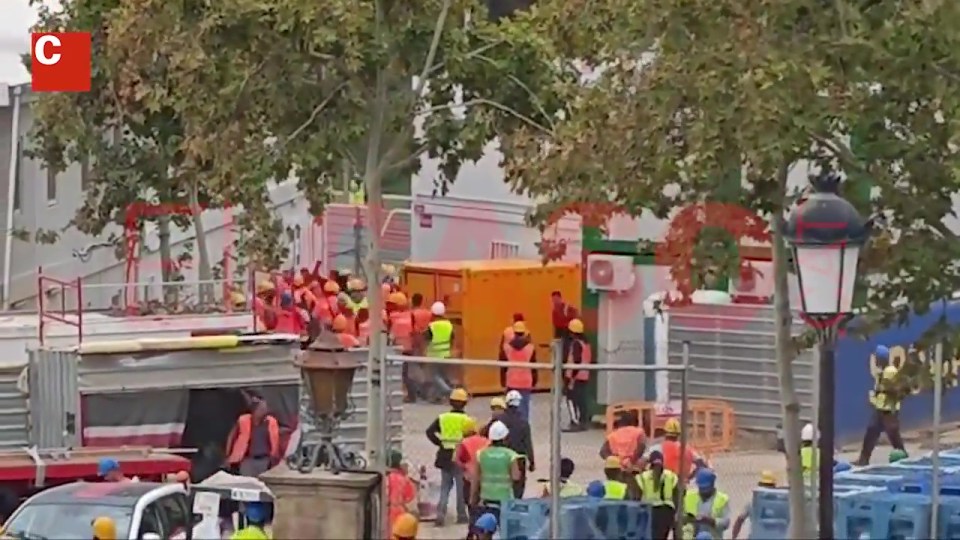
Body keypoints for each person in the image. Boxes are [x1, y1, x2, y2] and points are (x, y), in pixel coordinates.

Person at [425, 388, 472, 526]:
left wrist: (440, 442)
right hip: (460, 455)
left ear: (451, 402)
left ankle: (440, 515)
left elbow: (429, 432)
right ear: (465, 404)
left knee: (445, 486)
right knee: (460, 487)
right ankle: (462, 515)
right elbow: (471, 437)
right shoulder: (467, 420)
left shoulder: (443, 418)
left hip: (444, 454)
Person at [856, 348, 907, 465]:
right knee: (870, 434)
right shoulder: (881, 372)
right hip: (880, 410)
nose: (876, 361)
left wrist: (883, 389)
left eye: (877, 359)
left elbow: (898, 389)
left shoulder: (891, 371)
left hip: (889, 412)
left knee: (894, 438)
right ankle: (863, 460)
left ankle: (904, 458)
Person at [470, 420, 521, 524]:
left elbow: (475, 479)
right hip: (505, 499)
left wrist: (473, 498)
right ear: (505, 438)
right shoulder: (511, 455)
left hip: (486, 498)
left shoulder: (481, 454)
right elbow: (516, 477)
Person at [226, 396, 281, 476]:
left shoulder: (271, 422)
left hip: (264, 461)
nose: (265, 411)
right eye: (262, 409)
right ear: (255, 411)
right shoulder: (243, 420)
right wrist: (228, 456)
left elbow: (276, 441)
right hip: (247, 460)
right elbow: (231, 437)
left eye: (265, 409)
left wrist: (274, 459)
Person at [500, 390, 535, 498]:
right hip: (519, 458)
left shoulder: (500, 420)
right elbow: (528, 443)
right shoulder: (523, 422)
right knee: (518, 486)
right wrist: (532, 461)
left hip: (503, 457)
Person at [500, 321, 537, 421]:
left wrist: (502, 380)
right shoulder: (530, 347)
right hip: (526, 381)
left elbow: (503, 366)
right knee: (524, 409)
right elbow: (534, 366)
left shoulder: (507, 347)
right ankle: (523, 429)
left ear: (514, 332)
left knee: (511, 407)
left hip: (511, 380)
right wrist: (535, 380)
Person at [638, 450, 679, 540]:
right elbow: (678, 496)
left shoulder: (643, 476)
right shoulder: (671, 475)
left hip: (649, 511)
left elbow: (636, 496)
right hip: (667, 512)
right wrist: (675, 514)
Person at [455, 417, 489, 522]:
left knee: (471, 504)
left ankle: (473, 527)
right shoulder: (486, 441)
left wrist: (465, 468)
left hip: (469, 477)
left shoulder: (463, 443)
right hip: (485, 477)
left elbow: (457, 460)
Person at [682, 469, 730, 540]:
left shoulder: (722, 499)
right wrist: (690, 519)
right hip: (692, 536)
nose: (703, 491)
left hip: (713, 537)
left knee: (705, 536)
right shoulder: (689, 496)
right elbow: (679, 519)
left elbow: (725, 523)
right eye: (701, 488)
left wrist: (710, 521)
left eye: (706, 488)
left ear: (712, 484)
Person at [562, 319, 591, 432]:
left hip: (575, 376)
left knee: (571, 400)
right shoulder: (586, 344)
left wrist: (571, 378)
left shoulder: (576, 344)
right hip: (584, 375)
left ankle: (575, 422)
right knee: (581, 400)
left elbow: (576, 361)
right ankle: (583, 421)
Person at [732, 471, 776, 540]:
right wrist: (734, 537)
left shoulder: (779, 503)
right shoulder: (752, 503)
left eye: (768, 486)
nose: (766, 488)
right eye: (764, 485)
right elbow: (739, 520)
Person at [425, 301, 456, 397]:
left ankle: (448, 391)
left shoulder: (432, 326)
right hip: (446, 355)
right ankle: (437, 396)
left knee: (435, 376)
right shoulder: (449, 325)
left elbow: (426, 339)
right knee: (443, 376)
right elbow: (452, 338)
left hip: (434, 355)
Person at [387, 450, 418, 534]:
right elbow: (410, 498)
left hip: (383, 513)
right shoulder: (403, 480)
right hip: (399, 513)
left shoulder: (383, 478)